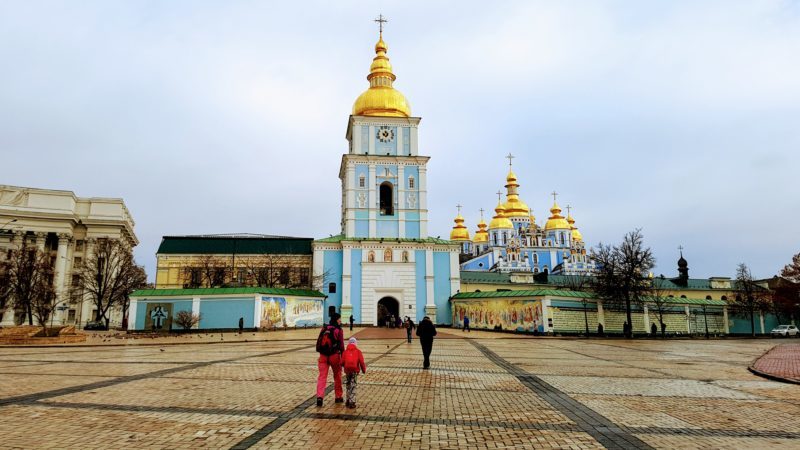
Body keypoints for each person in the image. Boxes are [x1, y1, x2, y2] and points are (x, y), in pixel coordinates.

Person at [316, 313, 345, 407]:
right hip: (334, 356)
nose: (340, 320)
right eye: (340, 319)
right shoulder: (338, 330)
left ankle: (319, 397)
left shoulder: (324, 328)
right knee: (337, 376)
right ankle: (338, 397)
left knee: (322, 377)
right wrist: (343, 357)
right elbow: (341, 345)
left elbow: (319, 340)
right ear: (337, 319)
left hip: (323, 355)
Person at [342, 337, 366, 409]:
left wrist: (345, 366)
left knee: (348, 385)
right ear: (355, 343)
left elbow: (342, 362)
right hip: (354, 371)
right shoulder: (358, 351)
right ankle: (352, 402)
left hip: (347, 371)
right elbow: (361, 362)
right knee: (353, 385)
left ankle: (347, 400)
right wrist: (363, 370)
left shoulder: (345, 352)